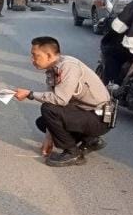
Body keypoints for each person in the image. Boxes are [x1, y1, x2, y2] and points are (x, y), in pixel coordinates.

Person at [14, 37, 111, 167]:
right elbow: (54, 100)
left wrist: (30, 94)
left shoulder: (68, 66)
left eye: (35, 56)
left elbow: (60, 99)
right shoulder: (53, 69)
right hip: (87, 113)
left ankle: (72, 153)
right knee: (43, 122)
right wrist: (49, 139)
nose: (32, 60)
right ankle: (90, 140)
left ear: (48, 55)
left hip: (99, 118)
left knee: (48, 110)